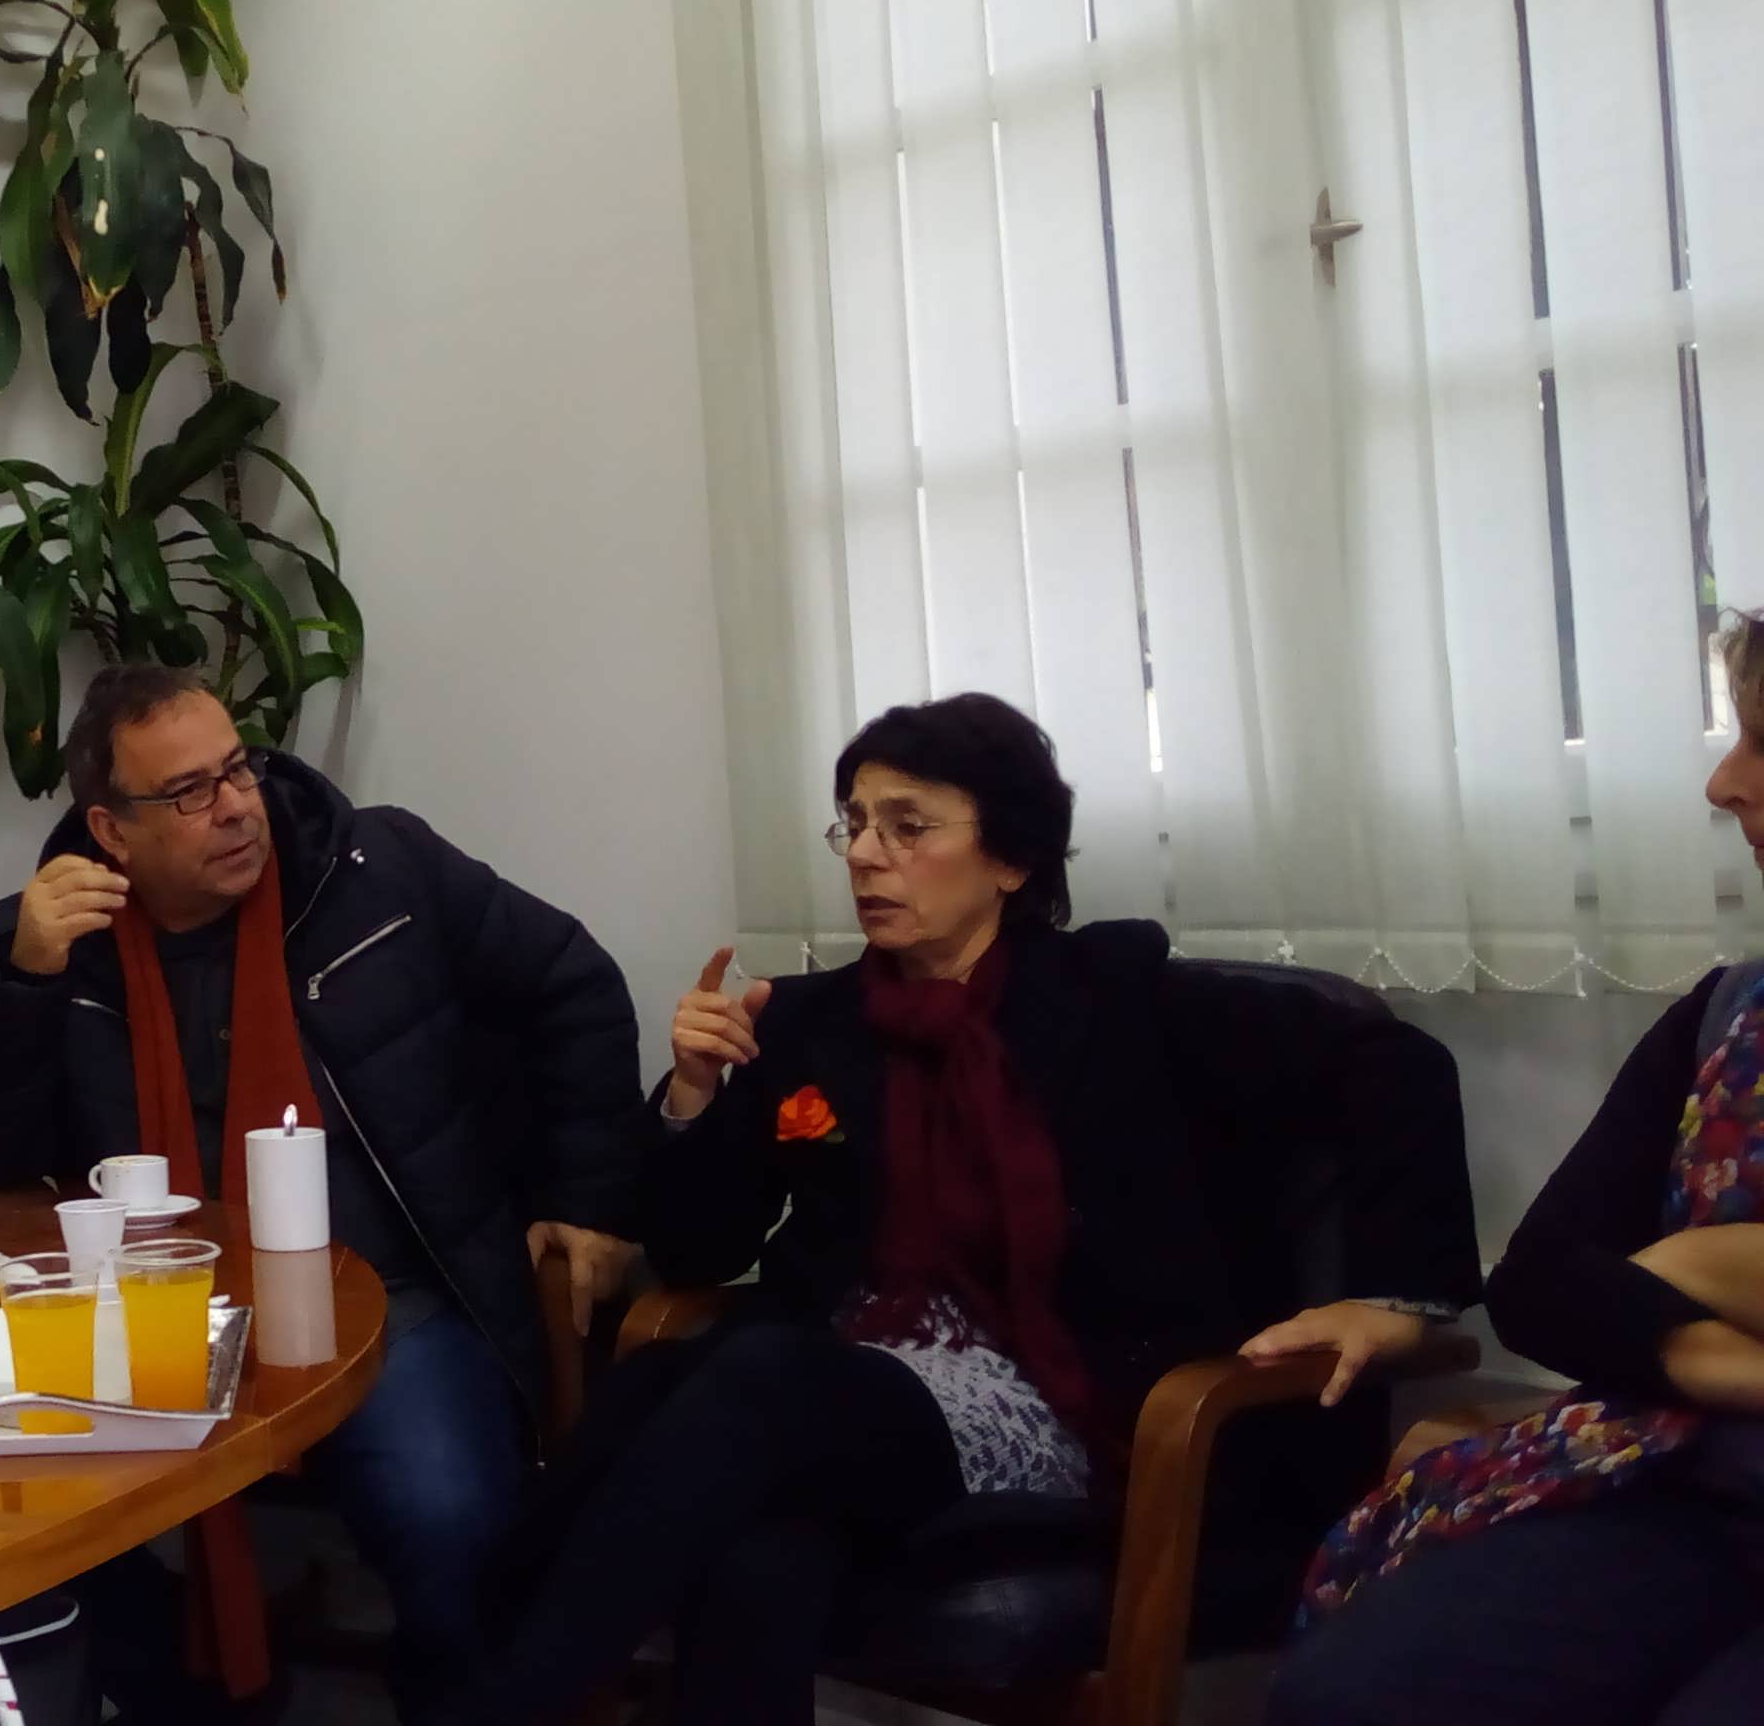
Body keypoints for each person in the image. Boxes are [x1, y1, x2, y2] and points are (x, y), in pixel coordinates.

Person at [455, 693, 1482, 1726]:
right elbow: (694, 1252)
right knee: (751, 1528)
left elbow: (1394, 1067)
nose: (866, 855)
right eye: (855, 824)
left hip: (1065, 1399)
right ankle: (504, 1683)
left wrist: (1394, 1301)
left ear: (1011, 860)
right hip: (846, 1395)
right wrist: (692, 1094)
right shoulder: (809, 1021)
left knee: (755, 1377)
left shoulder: (1119, 996)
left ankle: (497, 1693)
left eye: (908, 826)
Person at [0, 664, 648, 1707]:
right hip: (152, 1314)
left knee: (448, 1519)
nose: (234, 807)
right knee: (12, 1522)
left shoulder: (380, 870)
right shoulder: (49, 943)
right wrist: (22, 982)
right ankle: (202, 1702)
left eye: (238, 769)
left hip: (392, 1297)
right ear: (112, 832)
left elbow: (573, 984)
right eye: (188, 792)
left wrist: (589, 1201)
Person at [1271, 612, 1764, 1726]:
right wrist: (1722, 1342)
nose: (1721, 783)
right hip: (1681, 1478)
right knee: (1353, 1695)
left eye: (1763, 743)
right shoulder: (1725, 1015)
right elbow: (1540, 1282)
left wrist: (1679, 1268)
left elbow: (1607, 1281)